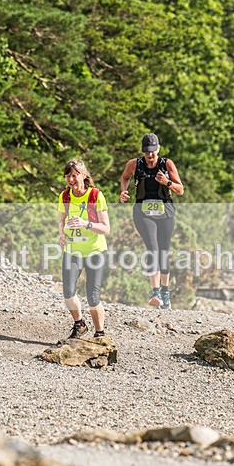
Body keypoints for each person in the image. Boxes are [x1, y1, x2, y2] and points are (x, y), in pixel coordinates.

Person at [119, 132, 184, 309]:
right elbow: (125, 178)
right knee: (152, 249)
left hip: (165, 212)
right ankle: (155, 292)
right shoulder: (134, 164)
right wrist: (123, 191)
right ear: (143, 151)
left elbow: (180, 190)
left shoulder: (167, 164)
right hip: (143, 212)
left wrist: (167, 182)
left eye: (153, 151)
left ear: (158, 149)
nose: (150, 155)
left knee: (163, 252)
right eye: (147, 151)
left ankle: (165, 291)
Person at [57, 159, 111, 340]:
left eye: (75, 175)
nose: (71, 179)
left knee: (93, 296)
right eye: (68, 176)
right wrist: (61, 234)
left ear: (84, 175)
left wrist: (85, 223)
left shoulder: (95, 195)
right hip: (72, 250)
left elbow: (106, 228)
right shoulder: (65, 196)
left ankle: (100, 334)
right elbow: (62, 220)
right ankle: (79, 324)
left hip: (95, 251)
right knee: (68, 292)